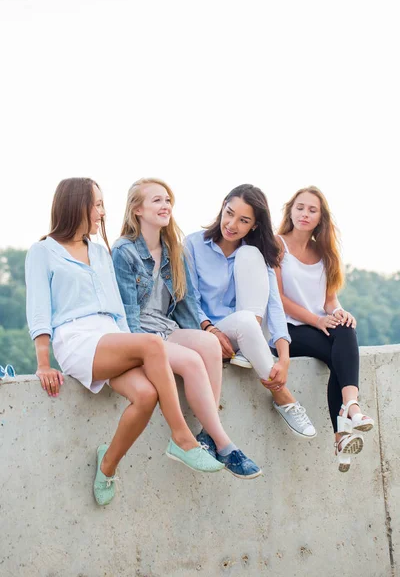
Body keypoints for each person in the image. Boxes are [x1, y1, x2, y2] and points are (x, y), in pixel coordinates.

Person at [25, 178, 224, 507]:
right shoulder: (43, 252)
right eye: (97, 205)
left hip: (111, 336)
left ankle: (107, 466)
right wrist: (43, 362)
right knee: (153, 345)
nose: (102, 212)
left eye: (102, 205)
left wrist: (132, 346)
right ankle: (182, 438)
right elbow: (39, 310)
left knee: (145, 394)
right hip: (76, 338)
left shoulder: (100, 252)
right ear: (75, 206)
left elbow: (118, 310)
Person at [112, 178, 261, 479]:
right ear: (137, 209)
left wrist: (203, 335)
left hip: (166, 327)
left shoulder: (173, 250)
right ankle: (225, 444)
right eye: (156, 200)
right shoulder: (124, 251)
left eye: (167, 199)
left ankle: (207, 432)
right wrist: (135, 354)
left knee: (207, 346)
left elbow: (187, 304)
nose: (165, 205)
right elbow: (127, 315)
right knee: (192, 360)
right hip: (141, 335)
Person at [185, 184, 316, 439]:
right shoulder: (193, 244)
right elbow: (188, 299)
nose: (232, 224)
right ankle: (284, 398)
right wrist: (209, 328)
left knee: (249, 256)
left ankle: (250, 350)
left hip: (246, 331)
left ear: (254, 225)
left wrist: (284, 358)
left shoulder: (255, 253)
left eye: (243, 220)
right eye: (229, 212)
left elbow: (275, 305)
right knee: (245, 321)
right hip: (205, 332)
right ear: (223, 206)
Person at [274, 185, 374, 472]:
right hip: (286, 331)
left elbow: (329, 300)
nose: (305, 214)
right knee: (337, 352)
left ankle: (348, 412)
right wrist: (317, 320)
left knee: (345, 328)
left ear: (321, 218)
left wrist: (339, 312)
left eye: (312, 210)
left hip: (318, 327)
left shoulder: (324, 252)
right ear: (291, 211)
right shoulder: (276, 245)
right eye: (300, 207)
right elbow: (278, 298)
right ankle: (347, 420)